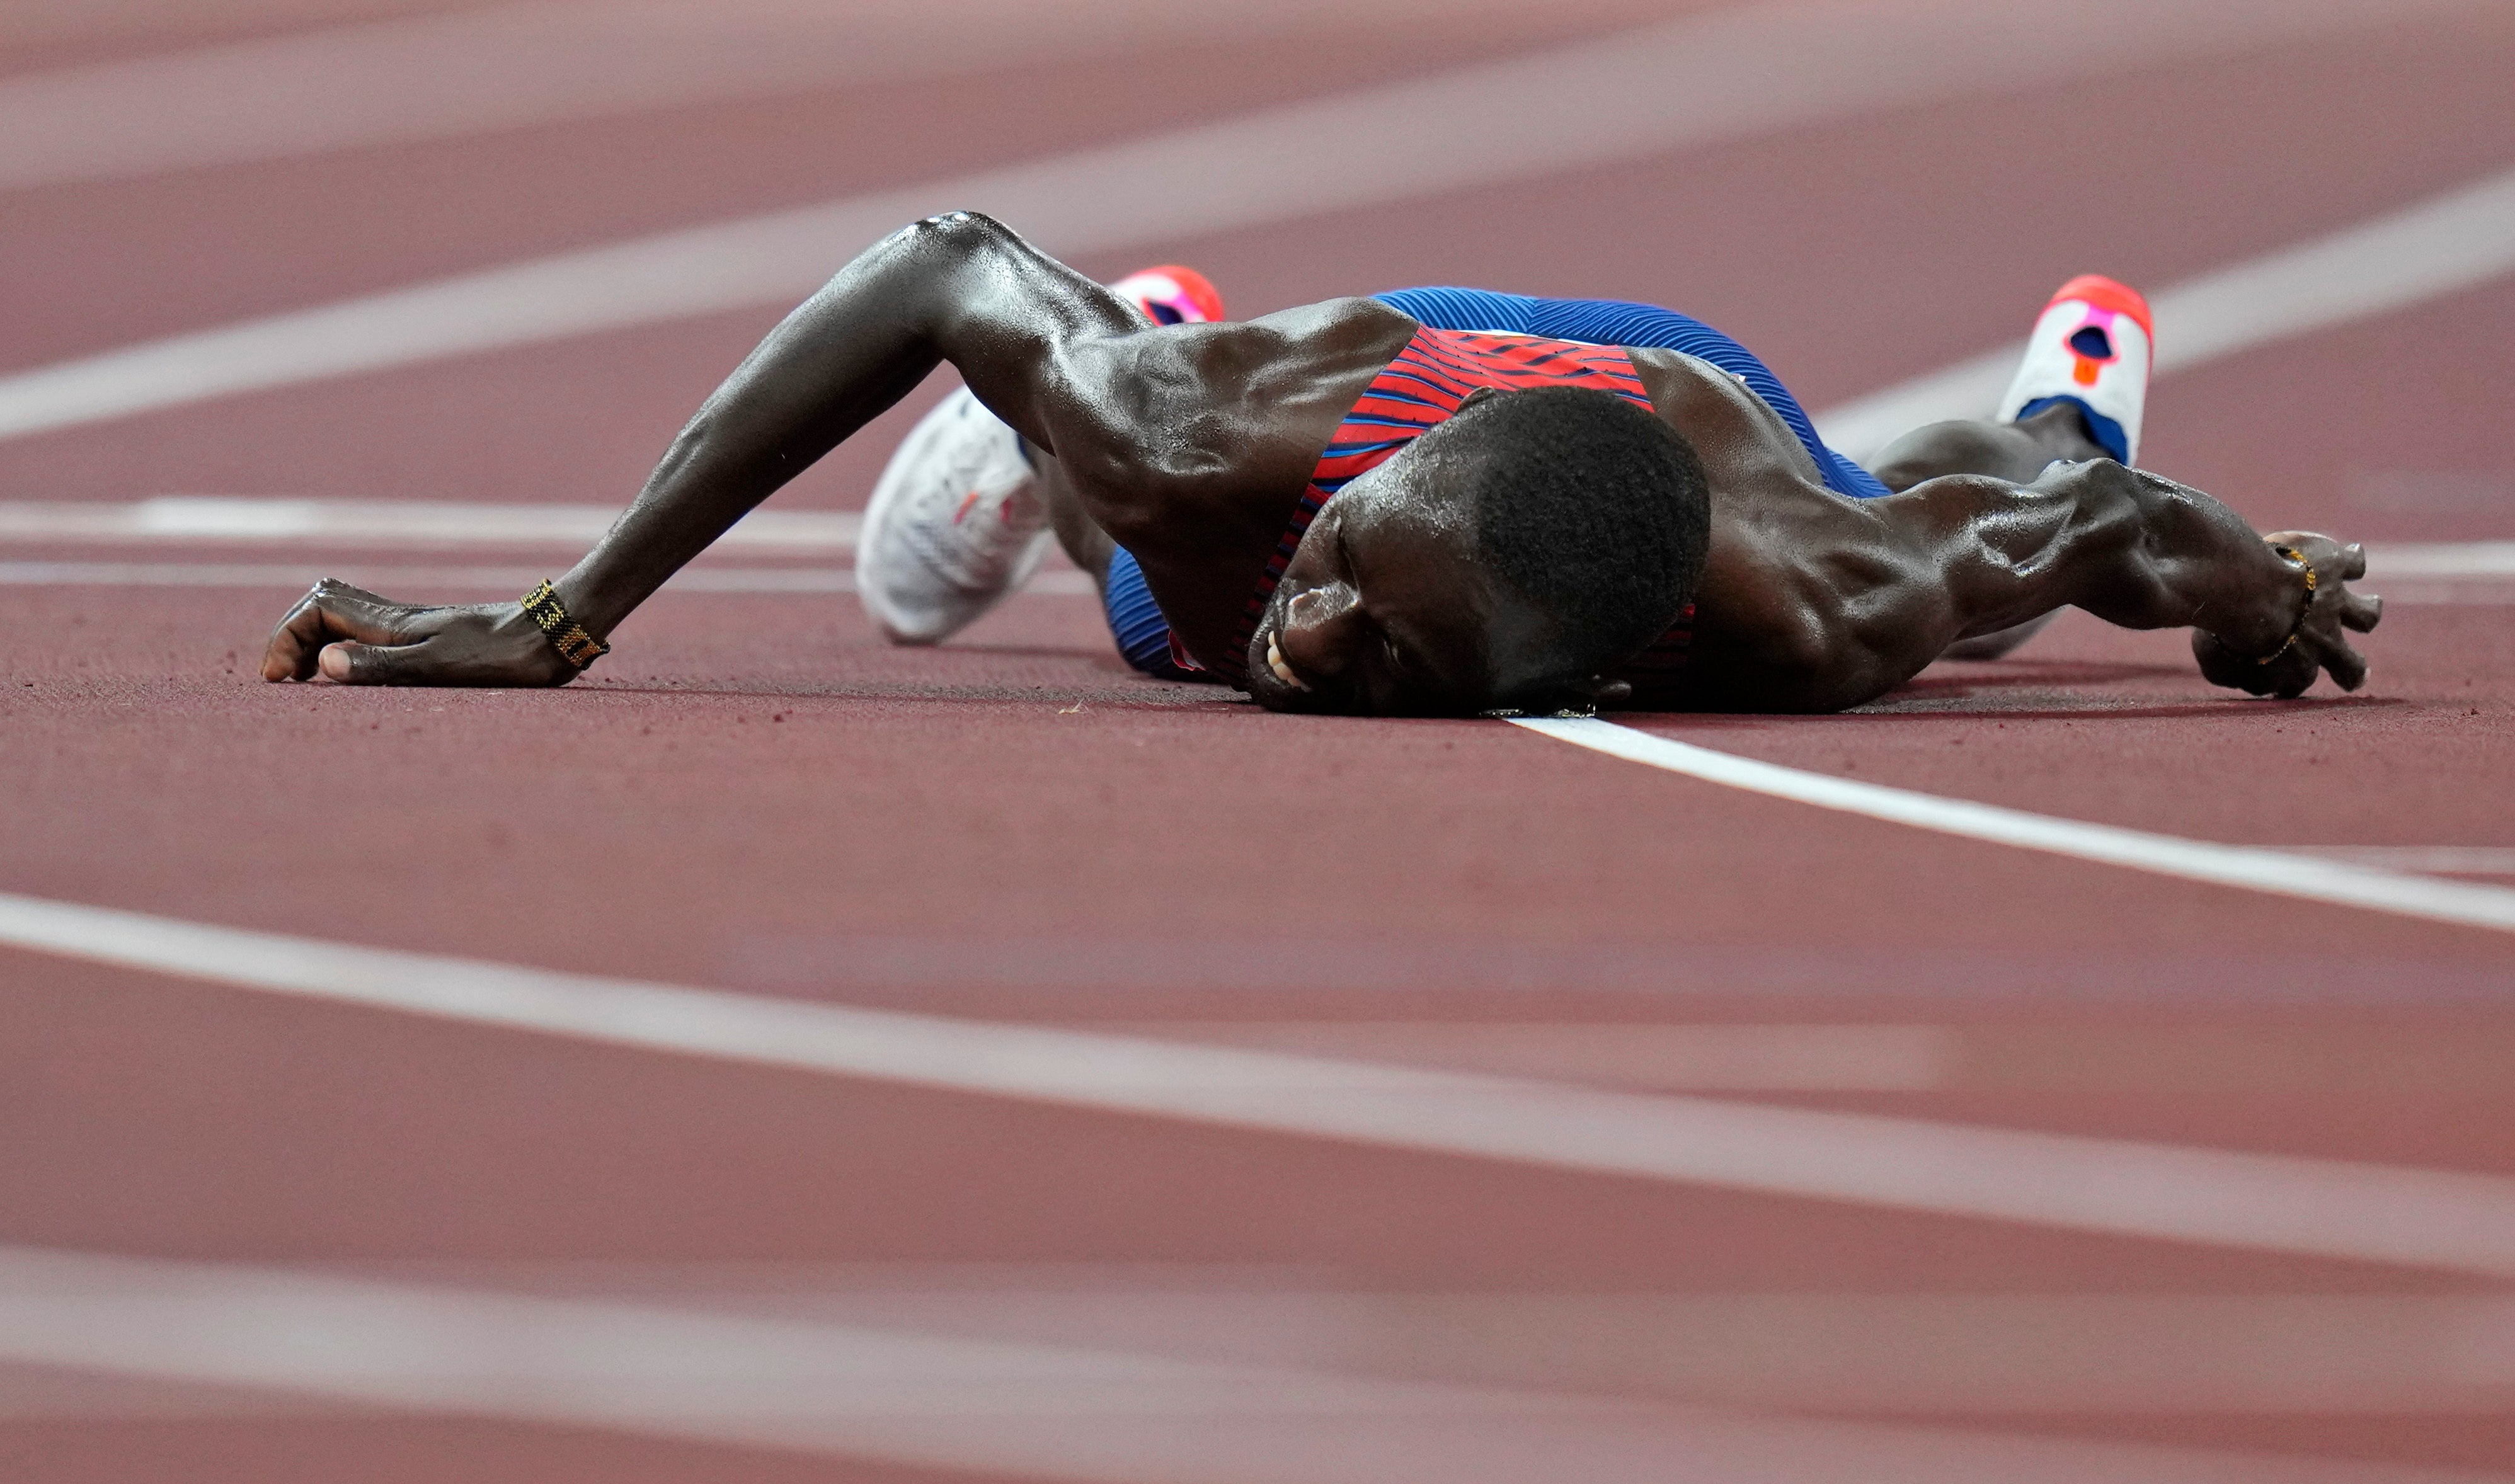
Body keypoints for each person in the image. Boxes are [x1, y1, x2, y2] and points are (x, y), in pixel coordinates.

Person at [261, 212, 2380, 715]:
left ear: (1598, 658)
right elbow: (938, 262)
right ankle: (1084, 403)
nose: (1317, 635)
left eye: (1386, 651)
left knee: (2004, 511)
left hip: (1686, 421)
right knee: (1148, 551)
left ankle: (2079, 358)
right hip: (1315, 403)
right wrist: (561, 619)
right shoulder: (1265, 486)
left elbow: (2099, 522)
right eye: (1353, 573)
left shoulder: (1820, 611)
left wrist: (2259, 596)